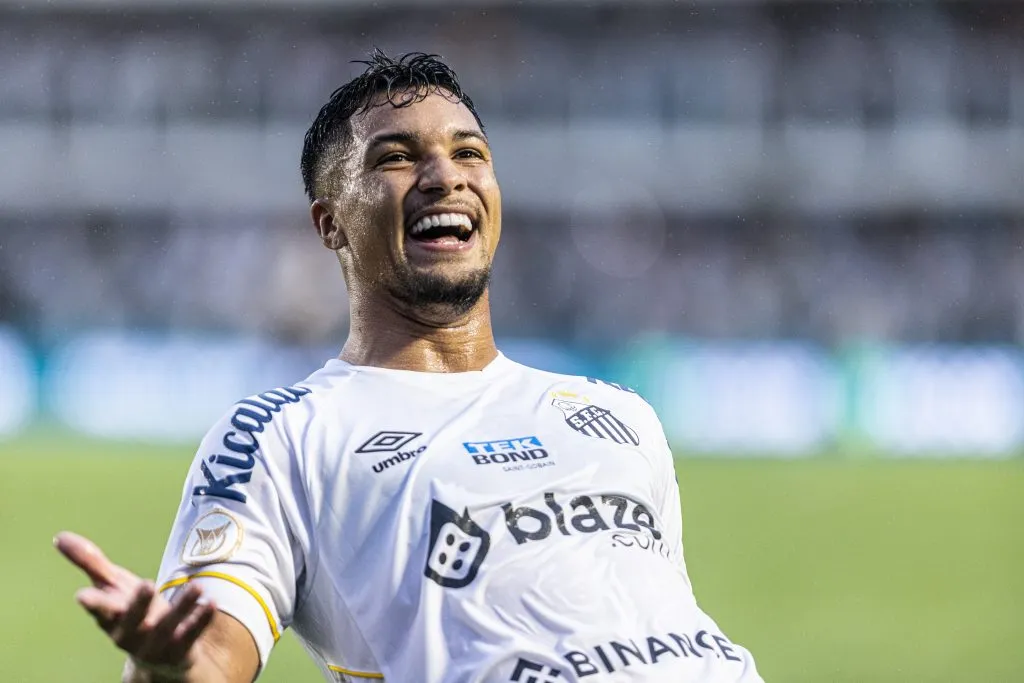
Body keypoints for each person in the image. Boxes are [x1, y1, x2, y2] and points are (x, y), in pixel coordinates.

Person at [55, 50, 764, 683]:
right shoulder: (281, 436)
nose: (444, 176)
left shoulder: (619, 415)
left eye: (470, 153)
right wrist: (164, 666)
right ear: (329, 222)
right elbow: (210, 652)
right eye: (396, 157)